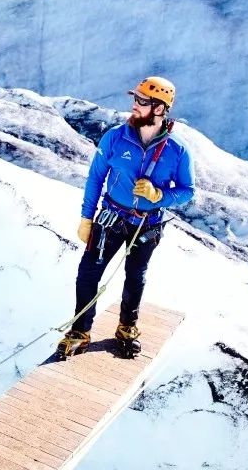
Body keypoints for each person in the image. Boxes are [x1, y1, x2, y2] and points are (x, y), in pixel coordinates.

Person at [57, 76, 195, 359]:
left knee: (135, 276)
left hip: (147, 224)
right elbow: (96, 177)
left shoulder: (178, 150)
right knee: (88, 273)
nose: (134, 105)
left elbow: (187, 191)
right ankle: (80, 331)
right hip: (111, 218)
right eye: (135, 99)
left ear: (159, 108)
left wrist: (159, 196)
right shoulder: (115, 137)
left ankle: (126, 328)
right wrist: (86, 217)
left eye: (142, 101)